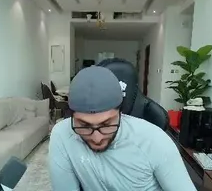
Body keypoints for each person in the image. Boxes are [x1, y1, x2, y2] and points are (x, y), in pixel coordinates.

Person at [49, 65, 196, 191]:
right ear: (71, 116)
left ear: (121, 113)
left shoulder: (155, 141)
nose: (97, 138)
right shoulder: (62, 134)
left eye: (106, 124)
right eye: (84, 125)